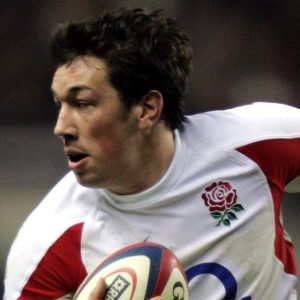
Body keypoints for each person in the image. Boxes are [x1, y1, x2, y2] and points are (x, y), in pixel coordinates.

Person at [4, 8, 300, 300]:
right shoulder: (47, 244)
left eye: (82, 104)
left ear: (147, 109)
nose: (61, 127)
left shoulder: (256, 144)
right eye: (60, 105)